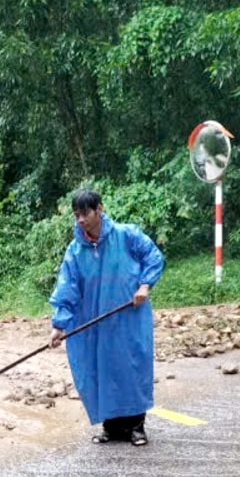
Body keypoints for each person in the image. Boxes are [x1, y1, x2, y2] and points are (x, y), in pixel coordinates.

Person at [48, 189, 165, 446]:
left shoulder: (126, 236)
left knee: (130, 367)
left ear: (99, 209)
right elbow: (67, 287)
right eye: (76, 215)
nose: (80, 220)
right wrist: (59, 325)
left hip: (128, 318)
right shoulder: (75, 251)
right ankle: (111, 427)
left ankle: (136, 427)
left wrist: (145, 285)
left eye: (85, 213)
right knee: (100, 369)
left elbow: (153, 256)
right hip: (93, 322)